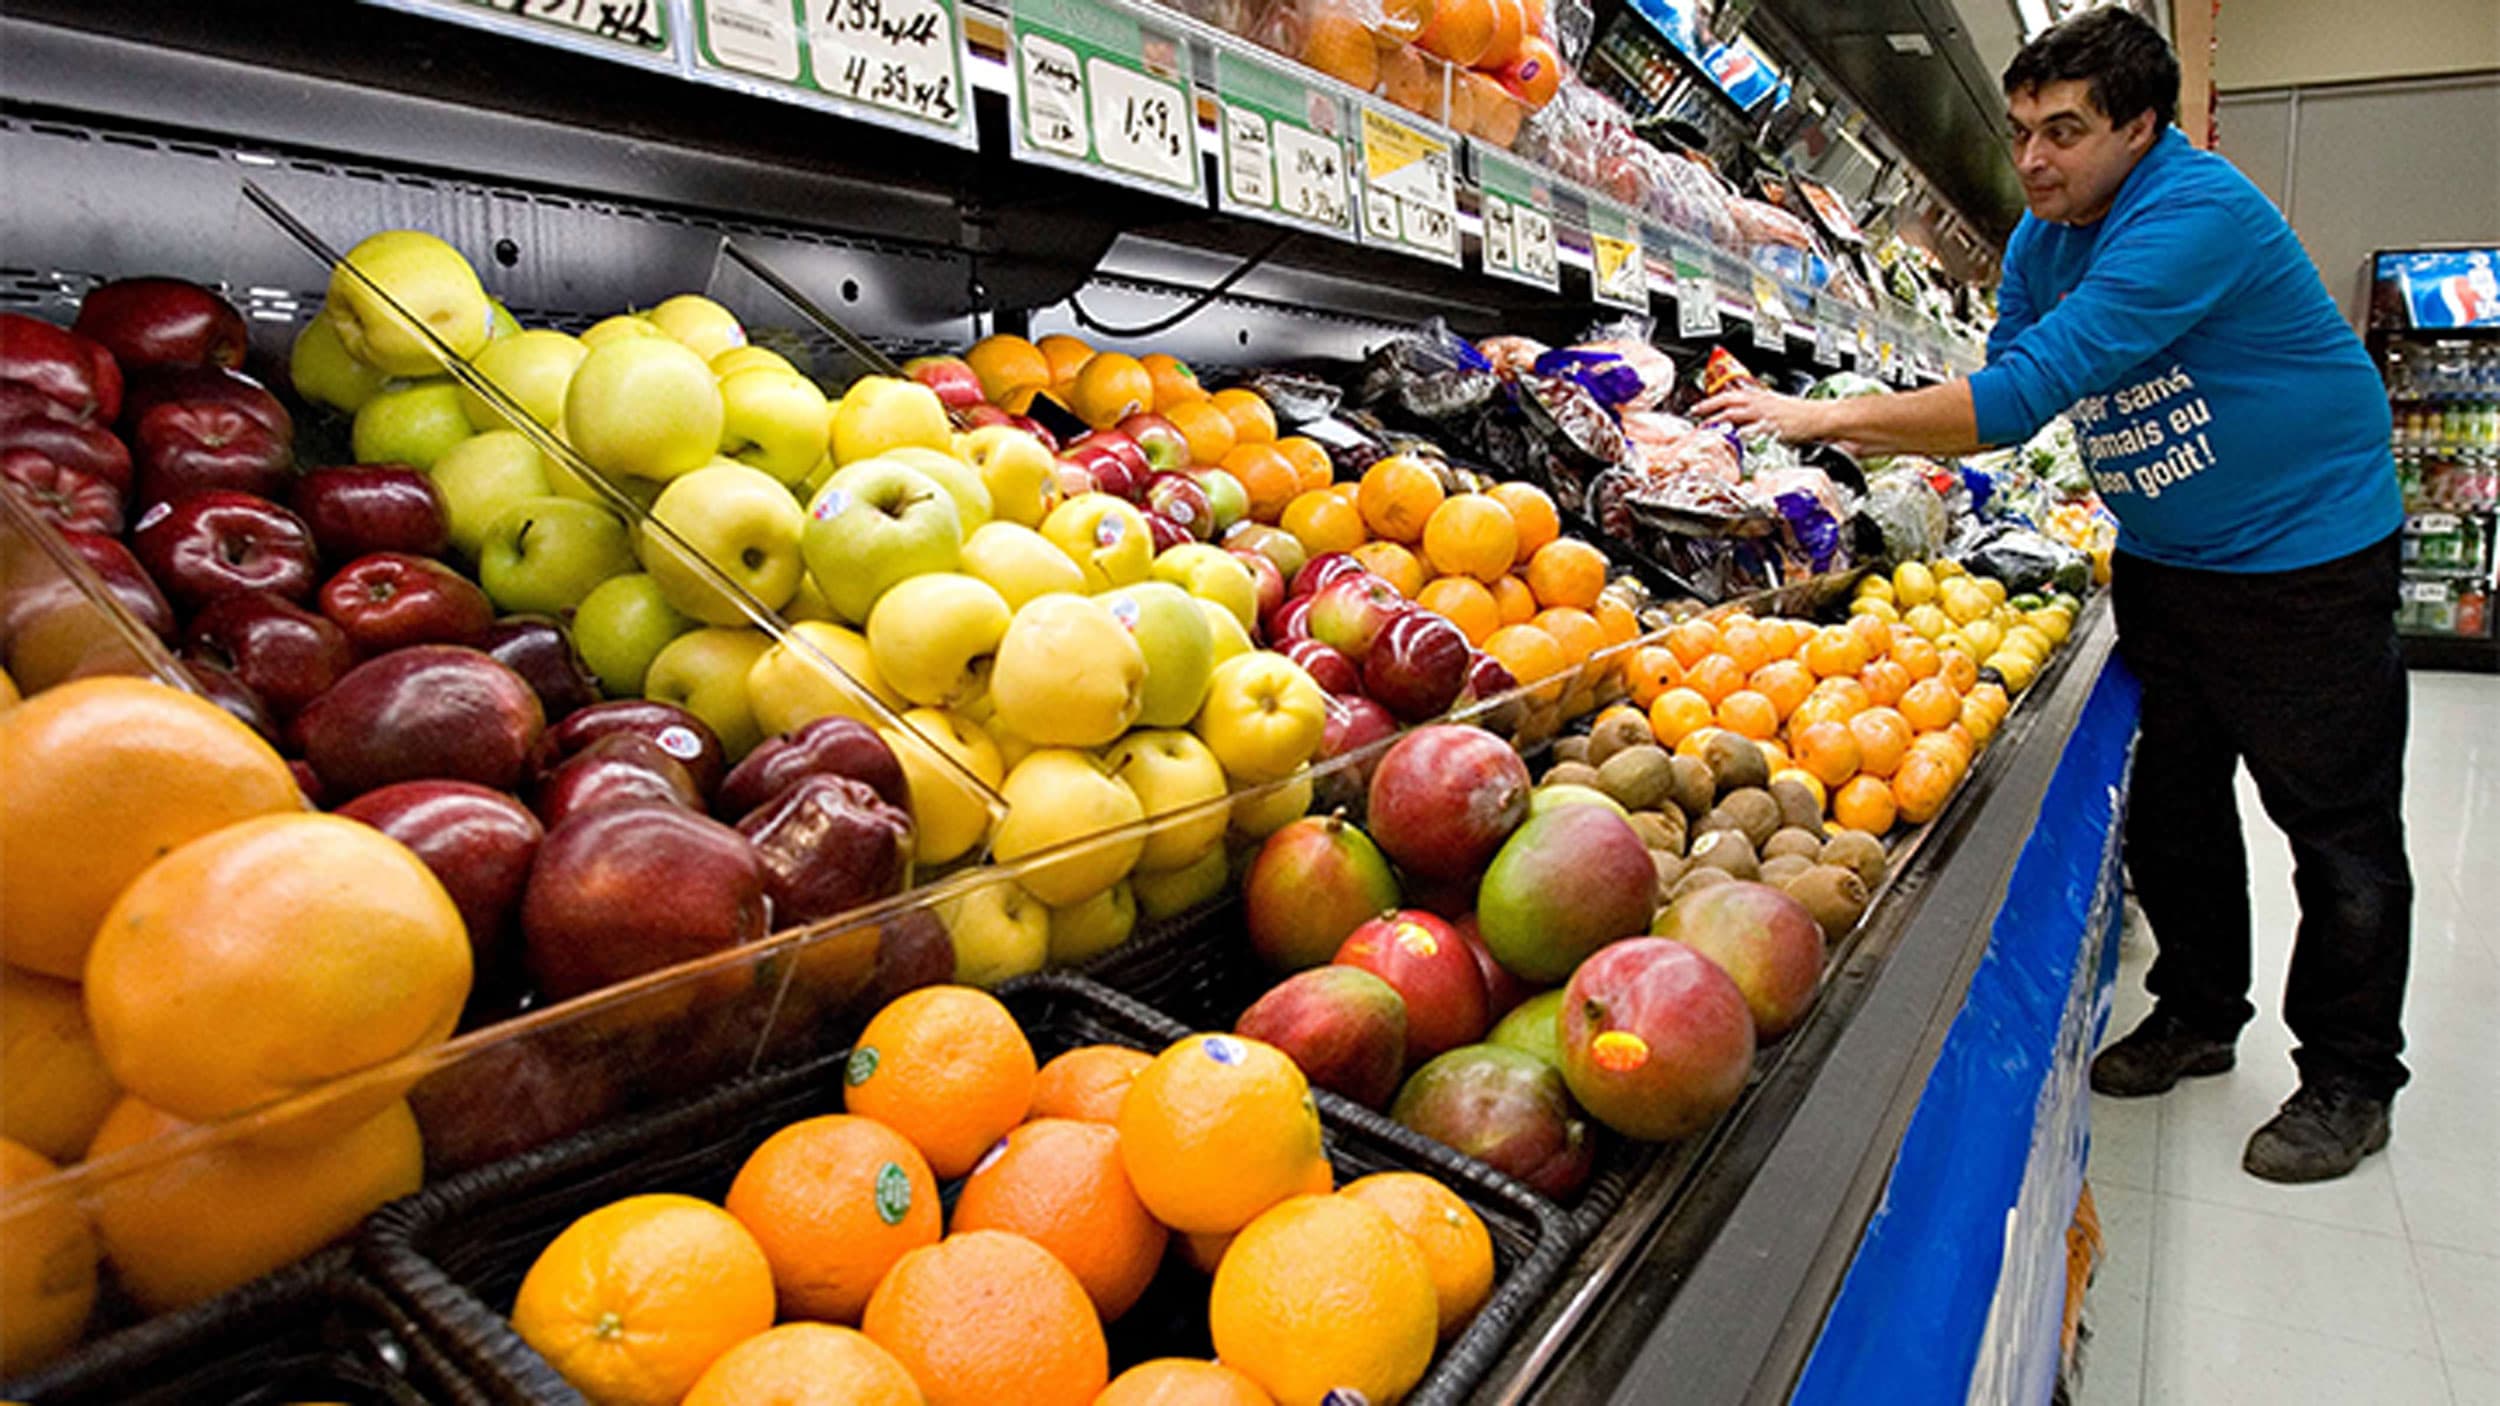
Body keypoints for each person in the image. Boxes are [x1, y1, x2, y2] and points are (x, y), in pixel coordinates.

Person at [1696, 8, 2411, 1183]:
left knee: (2334, 829)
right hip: (2170, 559)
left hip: (2304, 561)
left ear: (2142, 128)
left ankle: (2348, 1075)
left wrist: (1818, 418)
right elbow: (1997, 380)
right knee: (2175, 809)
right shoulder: (2043, 235)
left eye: (2065, 131)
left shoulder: (2194, 214)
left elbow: (2027, 395)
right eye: (2023, 127)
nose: (2032, 157)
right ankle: (2195, 1011)